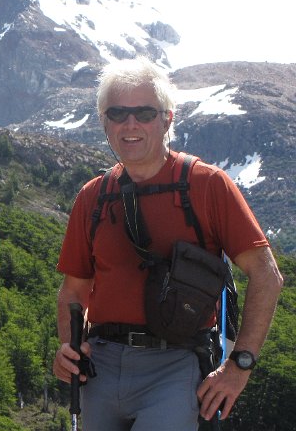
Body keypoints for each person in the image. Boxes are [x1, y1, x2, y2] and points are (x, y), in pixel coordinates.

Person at [53, 57, 283, 430]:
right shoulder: (92, 197)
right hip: (101, 368)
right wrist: (69, 347)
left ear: (167, 119)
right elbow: (73, 291)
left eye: (144, 113)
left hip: (176, 367)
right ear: (104, 122)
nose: (130, 124)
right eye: (117, 113)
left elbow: (266, 275)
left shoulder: (207, 184)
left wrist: (239, 366)